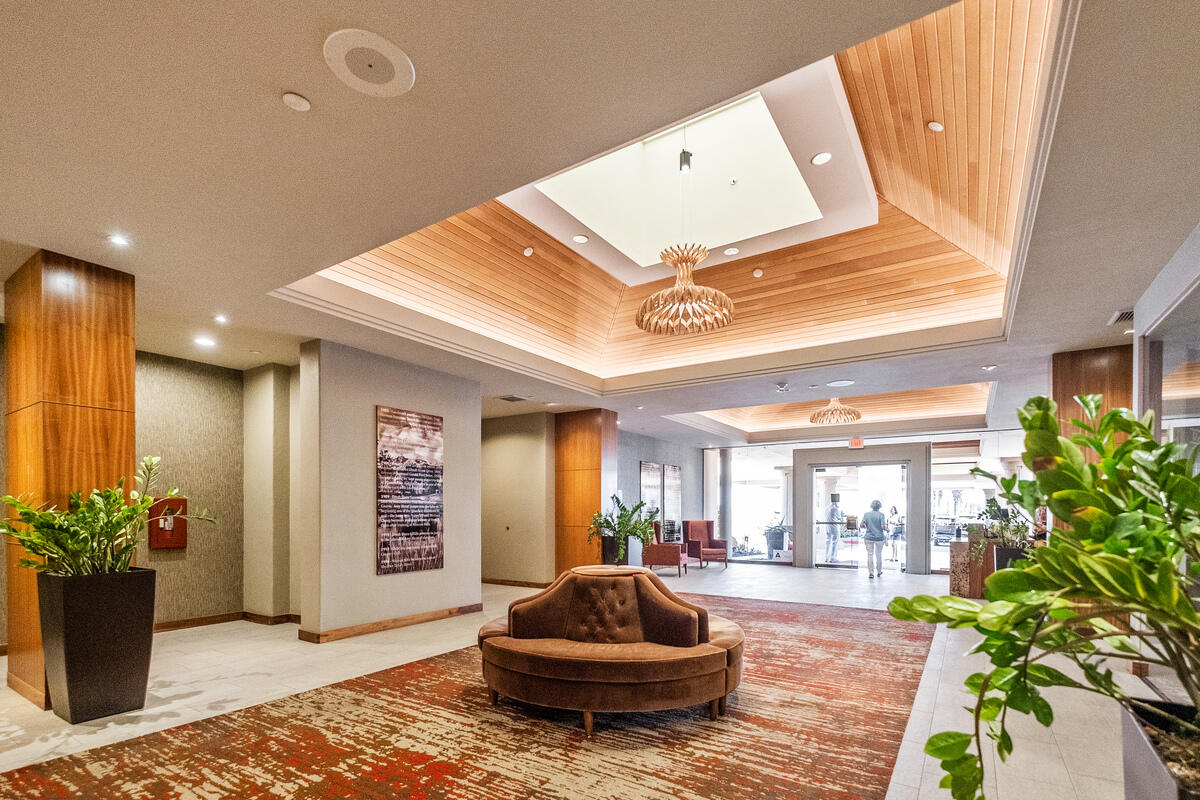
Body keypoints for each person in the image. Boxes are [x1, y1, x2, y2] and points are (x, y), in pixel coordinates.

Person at [861, 499, 888, 578]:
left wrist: (867, 526)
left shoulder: (866, 514)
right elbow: (883, 526)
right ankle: (879, 572)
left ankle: (871, 573)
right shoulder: (881, 515)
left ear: (871, 506)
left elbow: (862, 525)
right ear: (879, 506)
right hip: (879, 538)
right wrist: (888, 529)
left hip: (868, 537)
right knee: (878, 554)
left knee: (870, 555)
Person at [824, 493, 844, 563]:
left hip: (827, 527)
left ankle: (826, 557)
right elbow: (839, 518)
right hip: (834, 527)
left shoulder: (826, 508)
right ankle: (832, 558)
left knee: (828, 542)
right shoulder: (835, 508)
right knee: (834, 542)